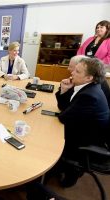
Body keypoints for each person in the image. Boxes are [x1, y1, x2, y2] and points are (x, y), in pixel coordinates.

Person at [55, 57, 109, 187]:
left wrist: (65, 111)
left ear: (89, 77)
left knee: (49, 138)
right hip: (85, 129)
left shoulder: (89, 95)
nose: (72, 72)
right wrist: (64, 90)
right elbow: (64, 107)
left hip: (87, 142)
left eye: (77, 71)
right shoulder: (87, 87)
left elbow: (63, 117)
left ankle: (69, 176)